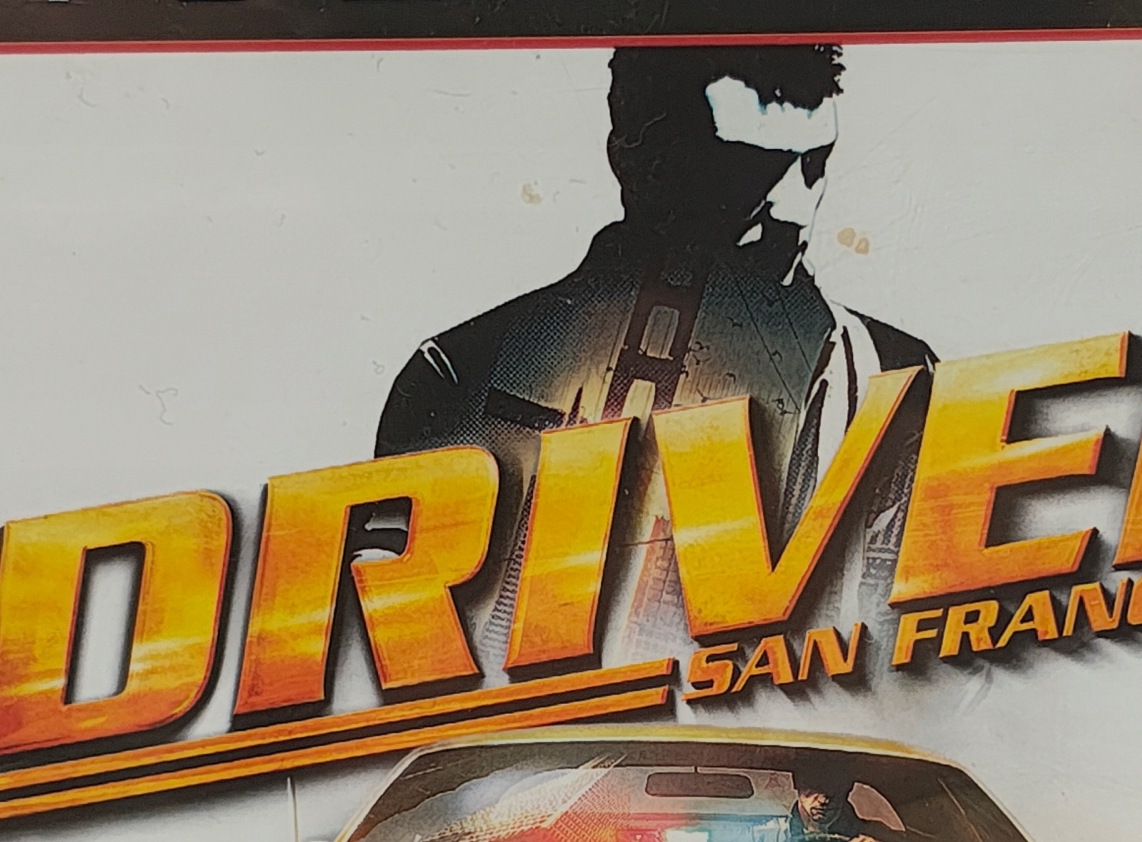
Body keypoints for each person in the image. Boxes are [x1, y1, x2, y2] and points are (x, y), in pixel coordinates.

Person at [373, 45, 936, 656]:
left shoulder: (896, 382)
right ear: (637, 162)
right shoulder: (459, 378)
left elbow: (923, 668)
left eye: (813, 164)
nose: (791, 211)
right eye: (746, 170)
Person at [789, 784, 889, 842]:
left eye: (834, 789)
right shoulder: (780, 833)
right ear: (798, 785)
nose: (823, 800)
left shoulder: (875, 834)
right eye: (814, 788)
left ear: (848, 789)